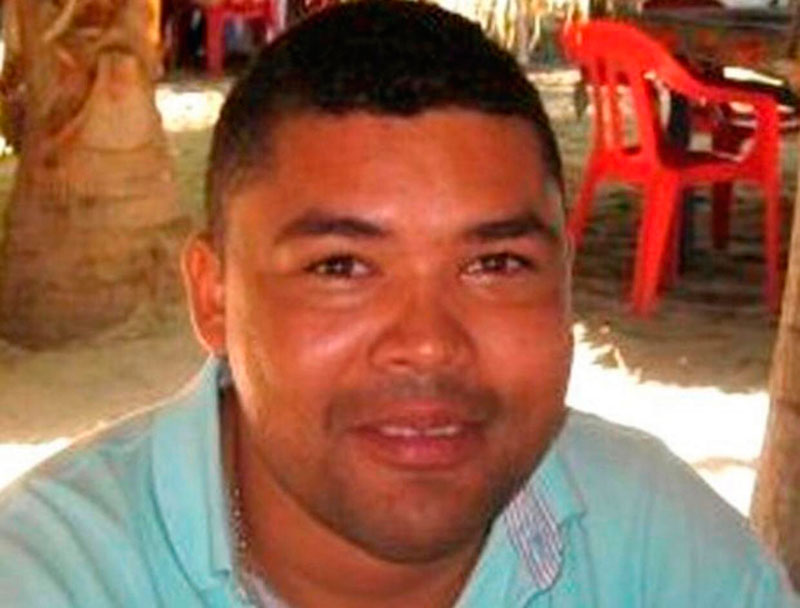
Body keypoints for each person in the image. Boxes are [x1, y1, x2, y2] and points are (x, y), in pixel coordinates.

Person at [0, 1, 797, 606]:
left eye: (496, 264)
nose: (428, 343)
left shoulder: (660, 549)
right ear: (214, 298)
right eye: (341, 266)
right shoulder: (53, 576)